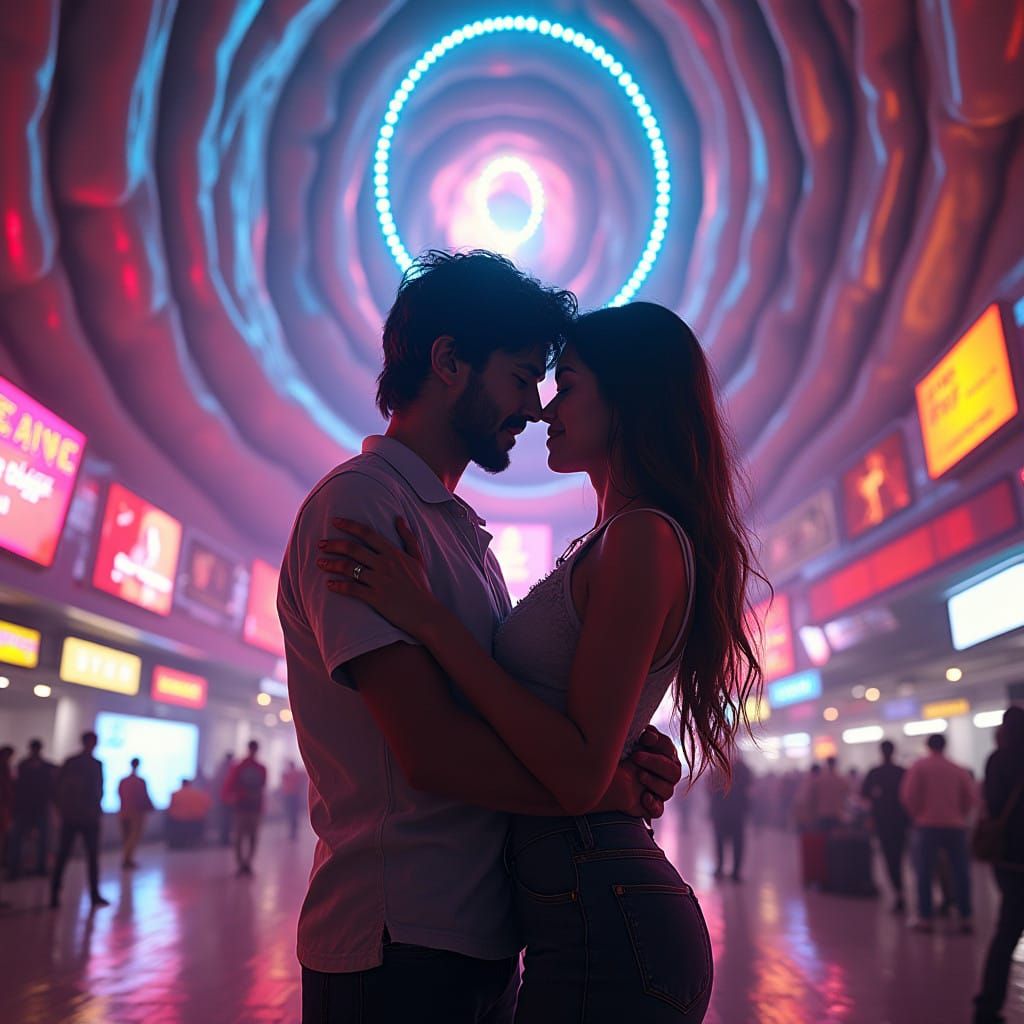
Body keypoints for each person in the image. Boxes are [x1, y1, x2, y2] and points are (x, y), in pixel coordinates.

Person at [315, 296, 766, 1021]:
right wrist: (616, 767)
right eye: (529, 379)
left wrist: (431, 620)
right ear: (448, 363)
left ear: (629, 399)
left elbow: (578, 764)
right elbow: (505, 746)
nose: (541, 407)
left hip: (599, 907)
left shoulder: (639, 537)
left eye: (564, 384)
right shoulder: (387, 510)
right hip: (533, 910)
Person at [973, 706, 1024, 1024]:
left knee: (1005, 935)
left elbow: (990, 804)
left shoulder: (996, 760)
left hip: (1006, 859)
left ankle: (986, 1007)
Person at [900, 732, 976, 933]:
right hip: (955, 825)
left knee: (924, 872)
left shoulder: (919, 767)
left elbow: (908, 796)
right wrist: (959, 814)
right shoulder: (957, 769)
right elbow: (970, 797)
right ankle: (965, 916)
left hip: (927, 825)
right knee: (961, 872)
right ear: (945, 746)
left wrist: (918, 815)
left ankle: (925, 918)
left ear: (928, 746)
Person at [51, 731, 109, 909]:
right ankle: (57, 894)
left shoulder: (80, 763)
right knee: (70, 855)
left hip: (81, 816)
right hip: (80, 816)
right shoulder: (88, 764)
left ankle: (58, 894)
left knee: (75, 856)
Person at [861, 740, 910, 912]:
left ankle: (899, 892)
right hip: (903, 823)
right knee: (903, 857)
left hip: (883, 823)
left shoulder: (875, 773)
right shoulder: (902, 772)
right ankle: (904, 890)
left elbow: (864, 795)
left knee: (890, 859)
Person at [7, 738, 55, 879]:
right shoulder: (26, 765)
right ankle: (17, 869)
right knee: (20, 840)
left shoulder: (28, 765)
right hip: (27, 808)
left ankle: (22, 869)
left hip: (34, 808)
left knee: (39, 840)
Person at [223, 740, 266, 876]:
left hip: (244, 806)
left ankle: (244, 863)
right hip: (249, 806)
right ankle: (245, 863)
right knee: (248, 837)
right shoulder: (260, 768)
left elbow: (230, 784)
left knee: (242, 837)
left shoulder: (241, 766)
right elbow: (261, 787)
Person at [708, 755, 752, 882]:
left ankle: (726, 869)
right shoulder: (740, 769)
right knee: (732, 842)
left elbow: (710, 788)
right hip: (731, 812)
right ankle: (731, 871)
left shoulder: (721, 770)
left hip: (726, 811)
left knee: (723, 841)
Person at [117, 758, 153, 869]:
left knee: (126, 837)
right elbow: (144, 796)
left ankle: (127, 858)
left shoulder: (123, 781)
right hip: (136, 813)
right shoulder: (140, 781)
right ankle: (127, 859)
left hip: (123, 811)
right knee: (133, 836)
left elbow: (119, 794)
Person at [166, 779, 212, 848]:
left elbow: (170, 809)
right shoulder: (199, 794)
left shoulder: (175, 794)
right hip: (197, 820)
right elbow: (208, 805)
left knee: (169, 819)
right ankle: (195, 841)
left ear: (181, 784)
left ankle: (175, 842)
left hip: (179, 821)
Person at [211, 752, 235, 847]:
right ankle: (225, 839)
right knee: (227, 820)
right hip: (228, 798)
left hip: (223, 798)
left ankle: (224, 838)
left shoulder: (221, 768)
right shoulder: (232, 768)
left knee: (225, 819)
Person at [280, 760, 306, 841]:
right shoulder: (295, 774)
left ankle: (293, 832)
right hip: (293, 796)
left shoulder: (290, 774)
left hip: (291, 796)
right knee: (293, 814)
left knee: (292, 814)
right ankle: (293, 832)